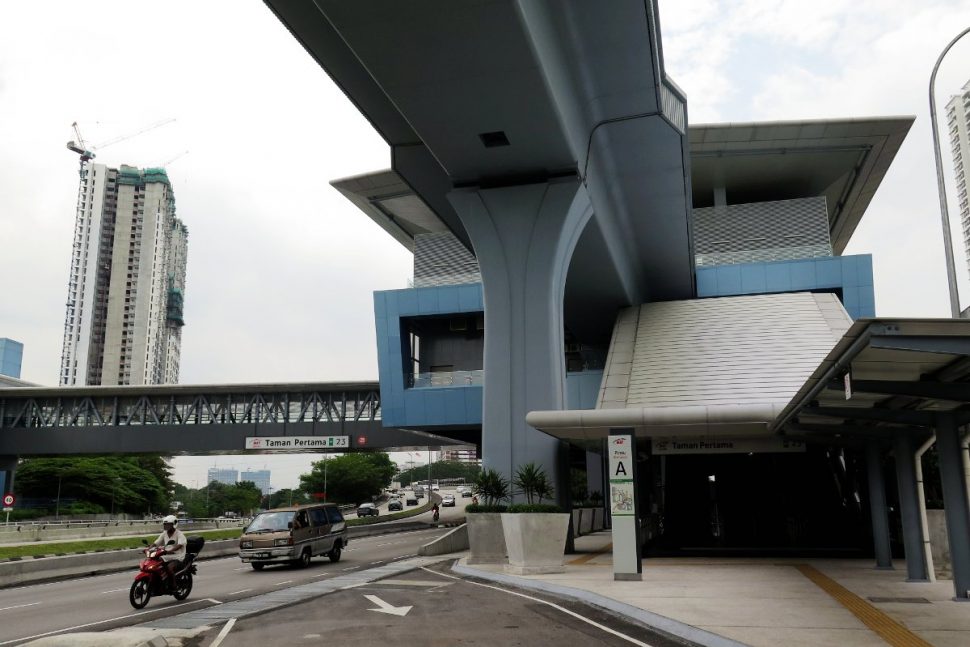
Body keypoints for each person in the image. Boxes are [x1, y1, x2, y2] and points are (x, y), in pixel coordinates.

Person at [152, 514, 187, 590]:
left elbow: (180, 545)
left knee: (169, 568)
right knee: (156, 562)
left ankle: (174, 584)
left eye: (168, 524)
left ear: (174, 524)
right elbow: (157, 542)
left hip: (178, 556)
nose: (166, 526)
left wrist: (171, 550)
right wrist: (149, 548)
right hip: (167, 555)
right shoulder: (164, 533)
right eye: (165, 524)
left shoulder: (179, 534)